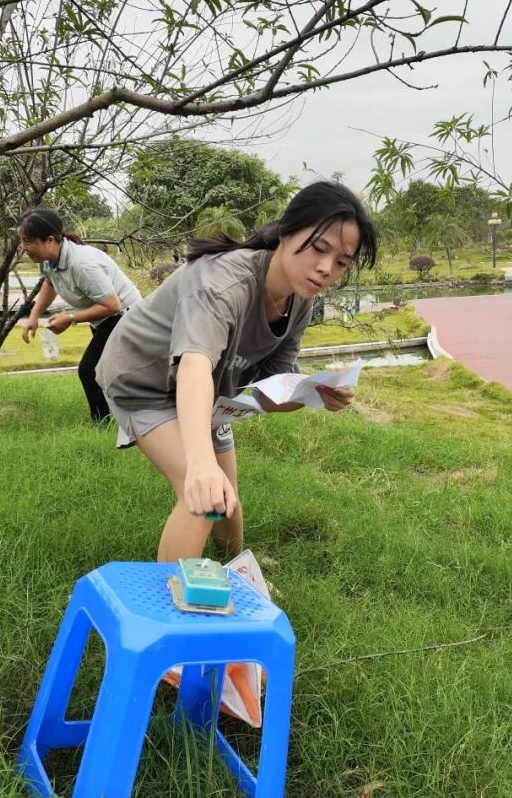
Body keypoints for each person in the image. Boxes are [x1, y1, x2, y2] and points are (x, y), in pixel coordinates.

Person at [96, 182, 377, 561]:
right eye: (318, 248)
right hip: (143, 382)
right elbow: (194, 364)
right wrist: (200, 464)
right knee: (203, 499)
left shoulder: (299, 300)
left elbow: (270, 390)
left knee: (226, 500)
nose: (326, 269)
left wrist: (313, 393)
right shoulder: (224, 282)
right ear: (286, 232)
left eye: (341, 262)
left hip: (209, 395)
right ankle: (171, 598)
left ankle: (232, 574)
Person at [18, 208, 143, 423]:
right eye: (22, 241)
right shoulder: (49, 260)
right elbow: (50, 283)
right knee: (110, 370)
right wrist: (34, 316)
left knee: (90, 370)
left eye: (28, 241)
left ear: (50, 240)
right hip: (106, 319)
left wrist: (70, 319)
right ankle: (128, 417)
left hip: (126, 316)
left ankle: (102, 425)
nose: (23, 248)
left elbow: (113, 305)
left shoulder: (82, 264)